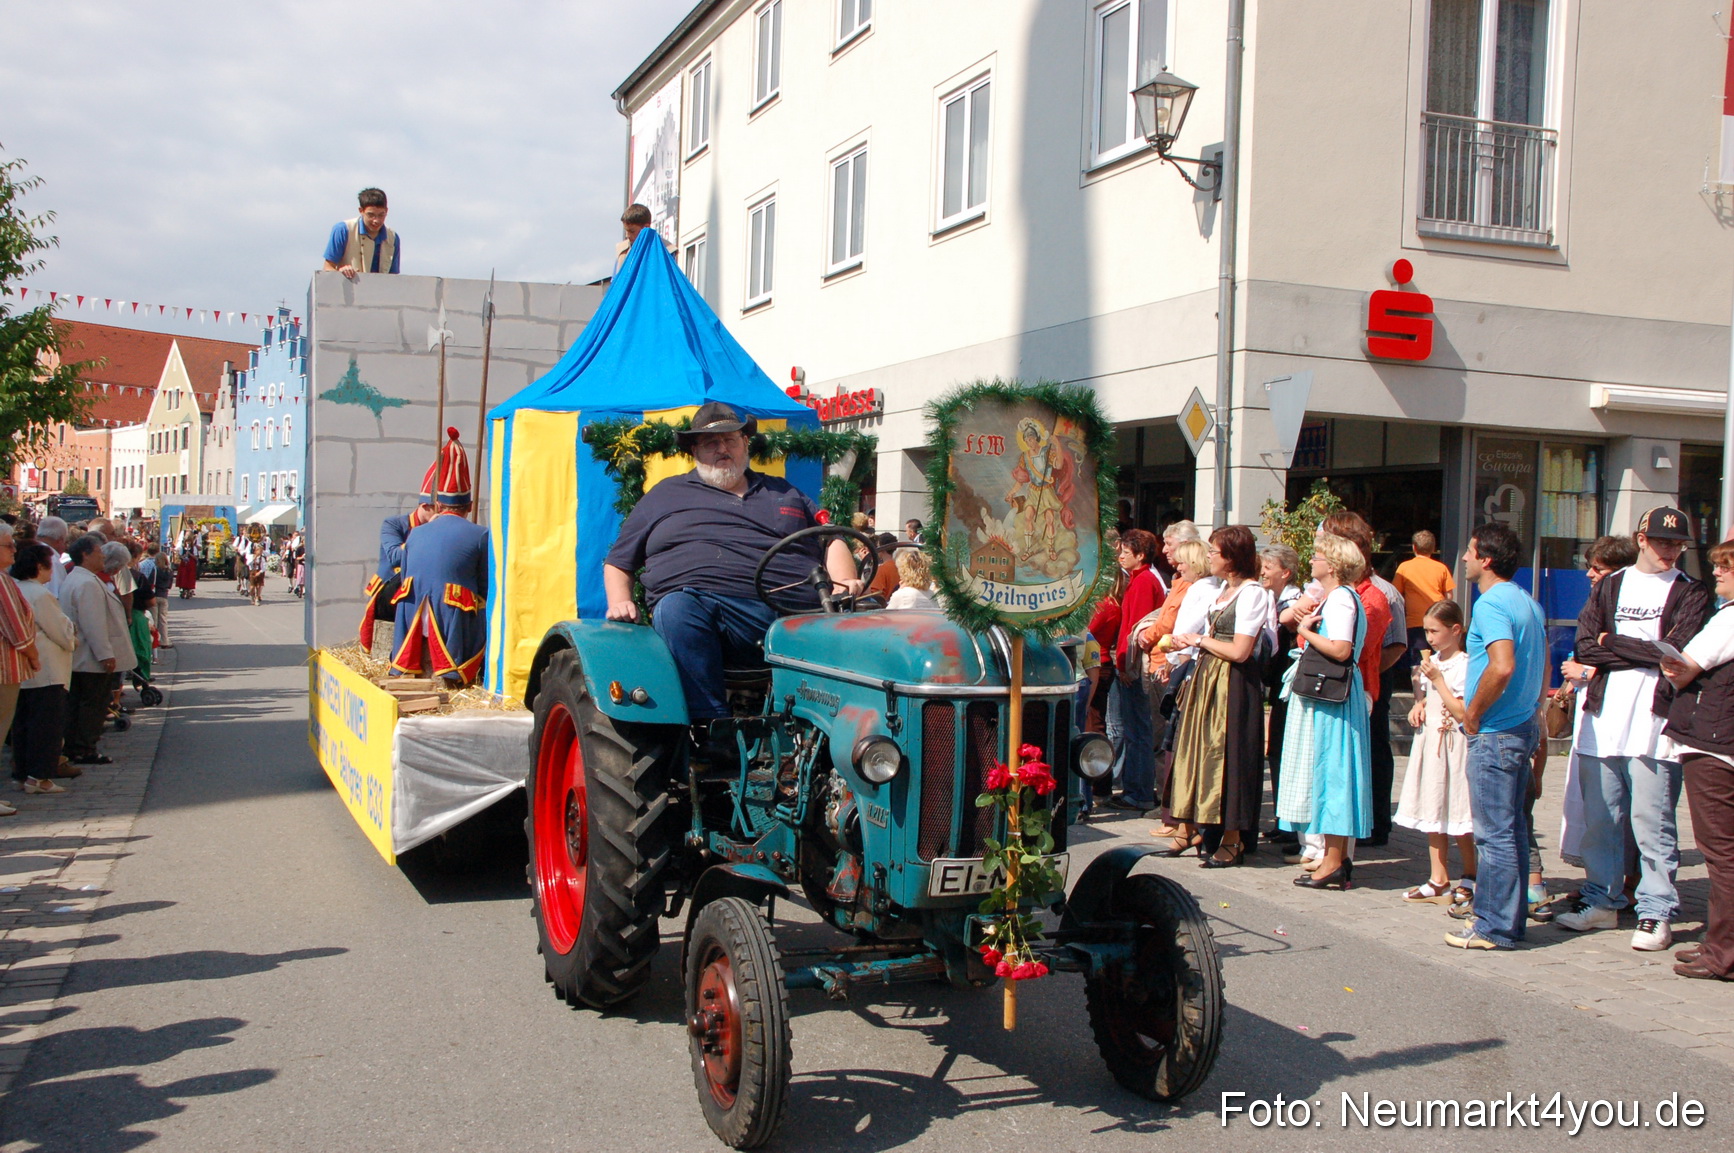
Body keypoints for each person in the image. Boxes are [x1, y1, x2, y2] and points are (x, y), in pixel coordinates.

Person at [604, 402, 861, 737]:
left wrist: (843, 582)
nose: (722, 449)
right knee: (678, 609)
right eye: (711, 443)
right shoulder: (664, 495)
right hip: (704, 614)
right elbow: (618, 562)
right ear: (694, 450)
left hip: (796, 616)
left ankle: (851, 738)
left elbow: (830, 539)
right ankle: (711, 730)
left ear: (745, 444)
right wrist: (621, 601)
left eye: (731, 440)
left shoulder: (784, 491)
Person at [1555, 507, 1710, 951]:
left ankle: (1655, 909)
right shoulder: (1610, 585)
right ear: (1642, 538)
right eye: (1663, 542)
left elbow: (1678, 653)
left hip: (1656, 723)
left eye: (1678, 544)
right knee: (1601, 820)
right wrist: (1640, 652)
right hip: (1603, 719)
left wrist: (1609, 645)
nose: (1670, 551)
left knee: (1653, 823)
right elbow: (1585, 643)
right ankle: (1602, 899)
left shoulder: (1690, 590)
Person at [1446, 522, 1549, 950]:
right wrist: (1533, 712)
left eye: (1470, 552)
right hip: (1520, 725)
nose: (1465, 558)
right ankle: (1510, 920)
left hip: (1496, 731)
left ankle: (1493, 926)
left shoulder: (1491, 604)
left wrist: (1473, 714)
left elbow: (1502, 665)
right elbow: (1540, 669)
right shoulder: (1528, 601)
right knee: (1514, 830)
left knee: (1495, 833)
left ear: (1486, 559)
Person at [1165, 526, 1274, 867]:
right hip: (1209, 678)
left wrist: (1197, 640)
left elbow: (1241, 651)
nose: (1209, 557)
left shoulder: (1253, 593)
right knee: (1197, 750)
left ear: (1231, 558)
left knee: (1229, 756)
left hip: (1233, 683)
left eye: (1215, 552)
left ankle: (1233, 838)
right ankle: (1192, 826)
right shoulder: (1226, 589)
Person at [1276, 534, 1372, 890]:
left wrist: (1304, 631)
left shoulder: (1341, 599)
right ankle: (1336, 859)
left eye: (1316, 557)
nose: (1312, 562)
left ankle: (1333, 861)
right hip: (1334, 696)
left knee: (1333, 773)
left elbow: (1341, 649)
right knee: (1333, 773)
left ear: (1331, 565)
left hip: (1334, 698)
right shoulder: (1339, 598)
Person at [1660, 538, 1734, 979]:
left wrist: (1673, 664)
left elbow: (1686, 664)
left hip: (1713, 743)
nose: (1718, 574)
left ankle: (1722, 950)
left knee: (1720, 852)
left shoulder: (1727, 621)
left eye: (1726, 567)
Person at [1319, 511, 1406, 847]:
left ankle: (1374, 824)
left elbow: (1396, 644)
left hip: (1368, 686)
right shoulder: (1332, 589)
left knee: (1372, 754)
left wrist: (1363, 671)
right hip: (1344, 683)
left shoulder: (1382, 592)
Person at [1557, 534, 1641, 873]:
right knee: (1595, 803)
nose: (1590, 575)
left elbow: (1638, 660)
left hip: (1624, 720)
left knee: (1621, 806)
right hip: (1593, 713)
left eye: (1598, 569)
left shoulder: (1630, 607)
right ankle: (1602, 878)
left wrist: (1586, 670)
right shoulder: (1597, 602)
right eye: (1589, 567)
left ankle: (1624, 881)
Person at [391, 429, 491, 686]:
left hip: (412, 617)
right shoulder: (481, 534)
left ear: (437, 506)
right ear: (469, 506)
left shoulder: (414, 534)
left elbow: (404, 574)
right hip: (452, 621)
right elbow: (485, 587)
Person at [1395, 600, 1475, 903]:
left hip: (1455, 745)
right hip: (1432, 744)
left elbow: (1460, 710)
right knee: (1433, 806)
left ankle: (1471, 873)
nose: (1429, 638)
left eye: (1435, 631)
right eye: (1426, 631)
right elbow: (1433, 700)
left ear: (1455, 630)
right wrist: (1420, 704)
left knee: (1458, 810)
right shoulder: (1434, 663)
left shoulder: (1465, 664)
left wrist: (1437, 681)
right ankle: (1438, 875)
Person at [1104, 529, 1166, 813]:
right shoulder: (1141, 579)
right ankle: (1135, 789)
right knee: (1135, 729)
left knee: (1137, 730)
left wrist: (1125, 664)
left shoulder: (1143, 583)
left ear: (1139, 555)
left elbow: (1135, 627)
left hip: (1133, 667)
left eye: (1125, 552)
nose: (1120, 556)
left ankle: (1138, 792)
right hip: (1132, 664)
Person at [60, 534, 130, 766]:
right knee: (92, 705)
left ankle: (76, 746)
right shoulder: (86, 582)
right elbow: (93, 623)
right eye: (99, 552)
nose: (103, 556)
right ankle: (83, 748)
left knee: (80, 704)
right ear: (86, 555)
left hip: (81, 656)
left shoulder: (79, 578)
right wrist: (105, 654)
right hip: (90, 658)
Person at [13, 542, 75, 795]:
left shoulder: (14, 589)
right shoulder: (39, 594)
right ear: (40, 567)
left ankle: (23, 772)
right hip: (47, 669)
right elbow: (60, 630)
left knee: (24, 725)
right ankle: (40, 777)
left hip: (25, 670)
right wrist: (72, 635)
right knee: (46, 726)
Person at [360, 464, 437, 650]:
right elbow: (395, 557)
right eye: (439, 510)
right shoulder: (393, 524)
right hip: (390, 592)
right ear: (425, 507)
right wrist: (426, 533)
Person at [1259, 544, 1303, 849]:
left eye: (1268, 566)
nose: (1262, 571)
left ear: (1285, 573)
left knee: (1286, 752)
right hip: (1278, 688)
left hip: (1291, 688)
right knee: (1276, 751)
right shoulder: (1274, 599)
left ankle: (1290, 825)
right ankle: (1282, 820)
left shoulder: (1295, 601)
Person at [1394, 531, 1457, 663]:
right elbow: (1449, 595)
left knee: (1417, 663)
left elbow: (1396, 594)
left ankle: (1419, 684)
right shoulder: (1441, 568)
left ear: (1414, 547)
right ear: (1433, 548)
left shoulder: (1404, 568)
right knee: (1440, 659)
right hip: (1438, 622)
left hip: (1414, 622)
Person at [323, 187, 400, 279]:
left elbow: (394, 278)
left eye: (381, 215)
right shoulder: (343, 230)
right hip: (348, 290)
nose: (376, 220)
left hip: (380, 291)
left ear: (387, 211)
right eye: (371, 215)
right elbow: (327, 267)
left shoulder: (393, 238)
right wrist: (341, 272)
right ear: (361, 211)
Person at [144, 542, 174, 646]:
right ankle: (164, 641)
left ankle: (154, 641)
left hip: (155, 595)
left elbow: (150, 582)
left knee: (154, 620)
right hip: (164, 595)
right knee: (163, 620)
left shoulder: (156, 570)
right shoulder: (169, 571)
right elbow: (170, 585)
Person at [34, 517, 69, 598]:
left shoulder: (26, 551)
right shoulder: (50, 559)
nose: (65, 547)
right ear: (59, 540)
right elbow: (54, 595)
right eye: (65, 542)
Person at [863, 533, 902, 602]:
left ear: (882, 548)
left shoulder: (881, 570)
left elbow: (875, 595)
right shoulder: (901, 567)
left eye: (878, 546)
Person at [615, 203, 653, 269]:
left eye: (632, 231)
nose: (627, 235)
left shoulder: (667, 251)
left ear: (646, 227)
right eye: (626, 231)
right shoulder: (622, 252)